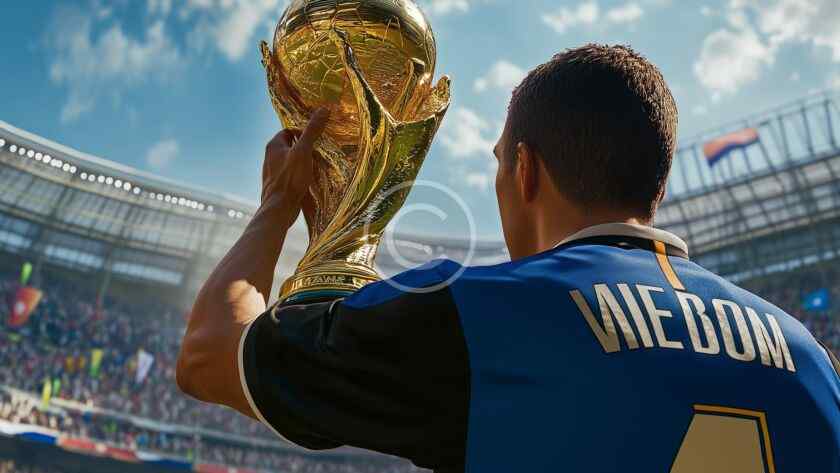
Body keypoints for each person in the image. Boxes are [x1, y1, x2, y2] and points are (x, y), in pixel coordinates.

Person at [176, 44, 840, 473]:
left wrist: (278, 203)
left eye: (499, 163)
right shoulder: (810, 358)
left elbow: (208, 352)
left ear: (525, 170)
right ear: (657, 189)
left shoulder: (483, 315)